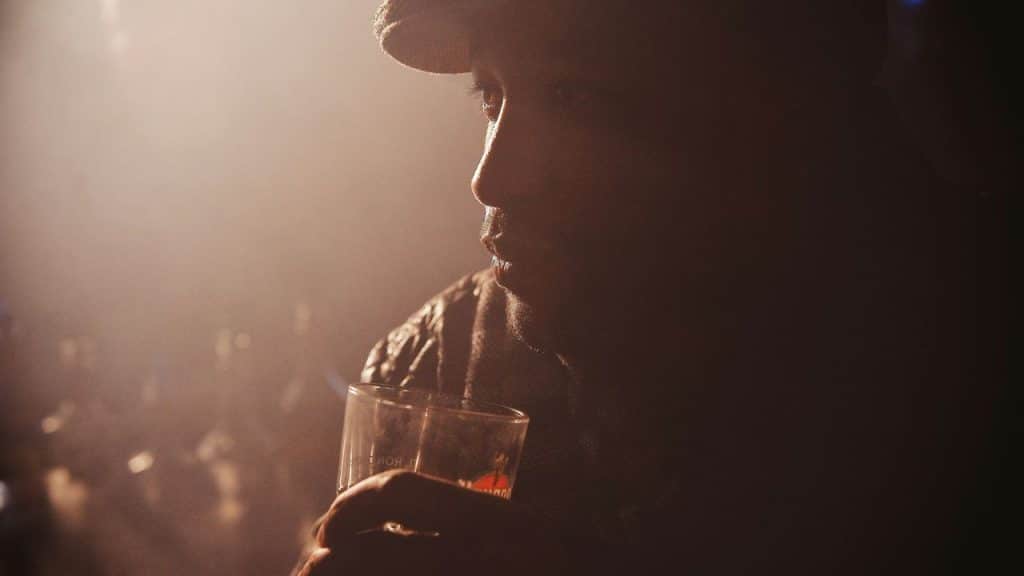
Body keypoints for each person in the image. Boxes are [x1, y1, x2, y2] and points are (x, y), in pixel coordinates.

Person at [296, 1, 991, 574]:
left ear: (762, 120)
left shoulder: (945, 381)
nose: (493, 178)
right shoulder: (434, 364)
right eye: (492, 96)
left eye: (575, 95)